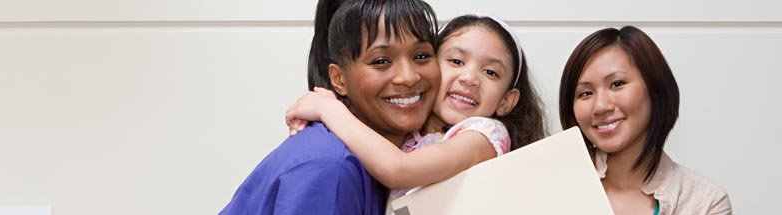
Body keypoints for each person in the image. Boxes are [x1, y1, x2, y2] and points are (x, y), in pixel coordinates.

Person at [285, 14, 547, 202]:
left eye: (490, 72)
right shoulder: (410, 131)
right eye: (456, 61)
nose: (470, 78)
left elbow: (399, 170)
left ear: (507, 101)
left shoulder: (484, 135)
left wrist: (330, 111)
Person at [219, 0, 440, 214]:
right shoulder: (332, 167)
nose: (408, 77)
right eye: (381, 61)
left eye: (421, 56)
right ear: (339, 79)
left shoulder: (408, 150)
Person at [558, 26, 732, 214]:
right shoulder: (554, 185)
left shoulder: (704, 202)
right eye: (586, 93)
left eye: (617, 84)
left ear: (655, 88)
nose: (600, 106)